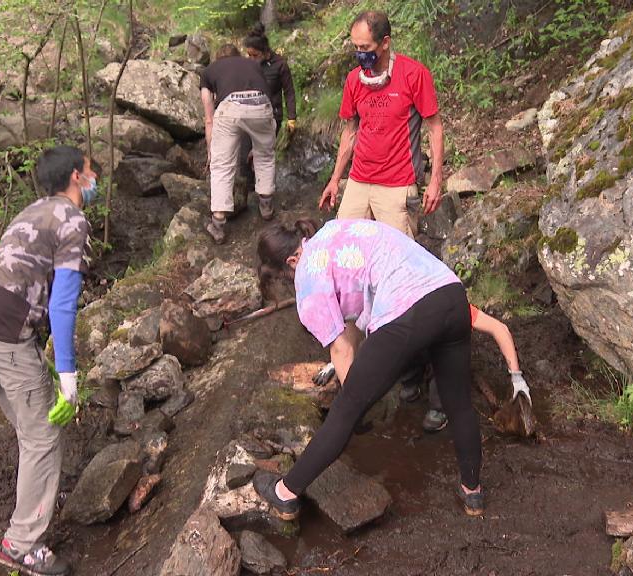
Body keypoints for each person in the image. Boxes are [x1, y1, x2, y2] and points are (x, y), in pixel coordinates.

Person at [252, 218, 485, 519]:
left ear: (292, 260)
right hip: (450, 295)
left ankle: (285, 492)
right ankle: (472, 492)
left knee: (343, 412)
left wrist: (354, 408)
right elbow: (350, 327)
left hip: (407, 310)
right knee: (460, 404)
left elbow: (341, 348)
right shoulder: (335, 230)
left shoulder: (308, 276)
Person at [0, 145, 97, 576]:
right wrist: (68, 373)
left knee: (31, 429)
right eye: (91, 169)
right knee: (42, 436)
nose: (95, 176)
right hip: (8, 333)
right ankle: (21, 545)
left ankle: (35, 493)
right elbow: (62, 303)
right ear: (77, 176)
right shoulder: (71, 218)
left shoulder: (32, 211)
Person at [318, 10, 445, 239]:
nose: (359, 54)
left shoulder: (414, 75)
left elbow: (435, 127)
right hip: (359, 180)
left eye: (365, 48)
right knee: (345, 245)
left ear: (385, 42)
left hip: (397, 184)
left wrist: (436, 179)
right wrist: (335, 179)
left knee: (397, 257)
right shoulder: (354, 79)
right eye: (356, 47)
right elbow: (350, 131)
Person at [403, 306, 531, 432]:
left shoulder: (450, 305)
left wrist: (516, 377)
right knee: (447, 352)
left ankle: (411, 383)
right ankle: (438, 406)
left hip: (415, 337)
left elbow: (499, 329)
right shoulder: (443, 306)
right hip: (418, 339)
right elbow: (499, 328)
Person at [200, 43, 277, 244]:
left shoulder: (209, 71)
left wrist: (211, 150)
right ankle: (266, 205)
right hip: (261, 104)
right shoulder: (252, 64)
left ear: (217, 59)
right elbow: (268, 92)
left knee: (222, 165)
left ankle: (218, 222)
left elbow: (209, 118)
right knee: (265, 155)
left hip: (230, 107)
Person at [237, 24, 297, 198]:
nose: (251, 58)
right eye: (248, 54)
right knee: (244, 156)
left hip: (272, 116)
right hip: (249, 115)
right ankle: (248, 194)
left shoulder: (280, 65)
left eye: (254, 55)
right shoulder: (248, 65)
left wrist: (292, 117)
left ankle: (265, 194)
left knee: (262, 155)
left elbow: (289, 91)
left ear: (264, 51)